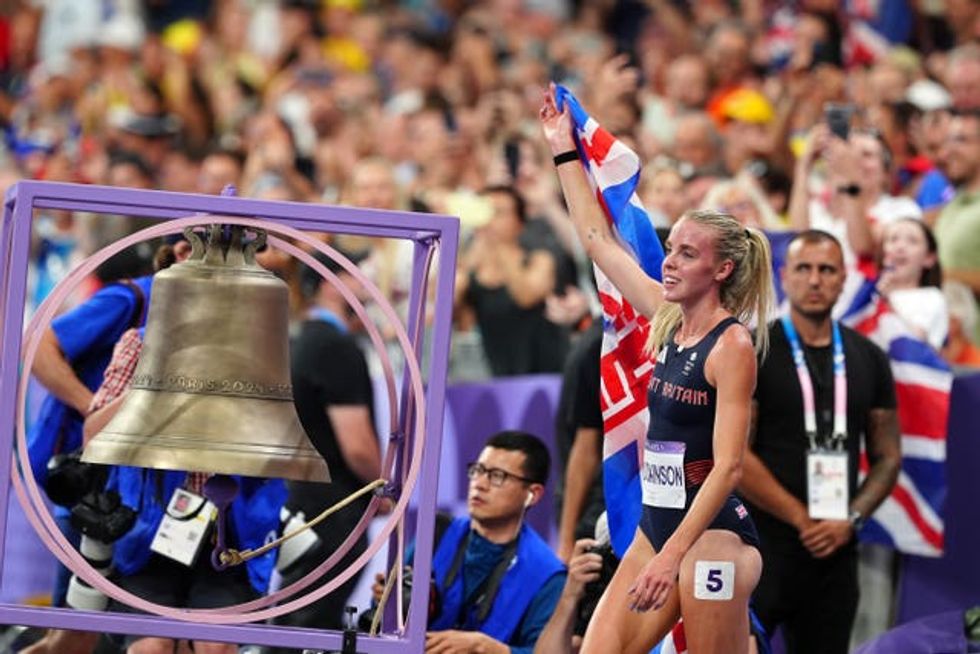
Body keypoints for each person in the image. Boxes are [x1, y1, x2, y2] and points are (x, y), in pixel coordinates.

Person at [540, 84, 775, 654]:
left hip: (714, 534)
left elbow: (728, 469)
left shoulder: (732, 344)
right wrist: (563, 149)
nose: (669, 261)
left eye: (687, 254)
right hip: (658, 522)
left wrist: (673, 559)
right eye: (670, 248)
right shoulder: (665, 317)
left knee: (704, 589)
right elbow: (596, 240)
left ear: (721, 270)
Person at [739, 230, 901, 654]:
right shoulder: (756, 350)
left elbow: (887, 457)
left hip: (836, 550)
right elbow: (736, 454)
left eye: (827, 269)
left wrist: (851, 519)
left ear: (844, 277)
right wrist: (800, 518)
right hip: (763, 546)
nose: (815, 280)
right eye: (804, 269)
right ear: (783, 275)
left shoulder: (868, 357)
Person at [270, 248, 382, 647]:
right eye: (359, 276)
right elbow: (357, 445)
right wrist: (383, 486)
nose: (368, 289)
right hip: (334, 512)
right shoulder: (334, 347)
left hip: (304, 503)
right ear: (333, 285)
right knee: (309, 625)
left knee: (294, 618)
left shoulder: (302, 340)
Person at [374, 430, 566, 654]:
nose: (480, 484)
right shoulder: (436, 534)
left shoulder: (548, 574)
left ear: (532, 494)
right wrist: (386, 601)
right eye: (478, 471)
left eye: (497, 476)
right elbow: (382, 626)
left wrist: (489, 649)